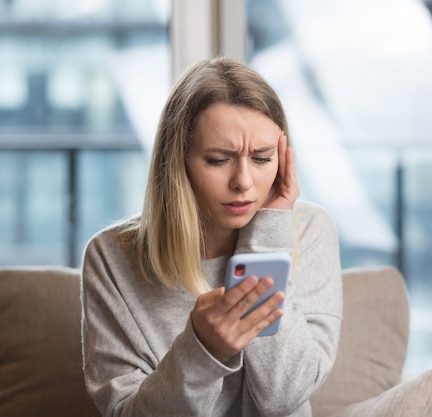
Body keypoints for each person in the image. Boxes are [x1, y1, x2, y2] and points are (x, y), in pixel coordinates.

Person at [80, 56, 343, 417]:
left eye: (263, 158)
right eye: (219, 160)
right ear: (179, 161)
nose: (244, 182)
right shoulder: (110, 257)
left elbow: (283, 396)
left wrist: (267, 239)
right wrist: (201, 351)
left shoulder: (310, 230)